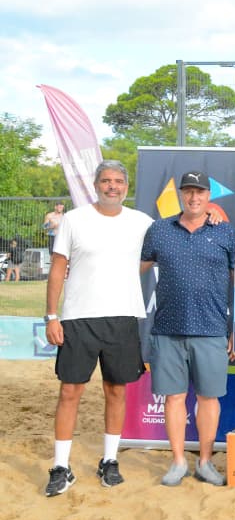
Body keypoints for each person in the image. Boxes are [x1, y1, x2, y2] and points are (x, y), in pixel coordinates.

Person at [43, 160, 153, 497]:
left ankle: (109, 460)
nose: (112, 186)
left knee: (116, 390)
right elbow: (58, 268)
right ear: (96, 185)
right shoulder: (74, 220)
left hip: (122, 317)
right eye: (106, 181)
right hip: (78, 318)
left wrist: (213, 214)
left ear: (126, 186)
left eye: (118, 181)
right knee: (69, 391)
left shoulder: (142, 222)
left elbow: (172, 238)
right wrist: (51, 316)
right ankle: (61, 467)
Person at [140, 171, 235, 487]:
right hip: (168, 329)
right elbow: (135, 268)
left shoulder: (225, 233)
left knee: (209, 399)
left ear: (209, 196)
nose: (194, 197)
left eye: (200, 192)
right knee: (174, 398)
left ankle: (206, 462)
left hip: (212, 329)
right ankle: (178, 462)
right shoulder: (159, 230)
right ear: (181, 195)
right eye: (188, 192)